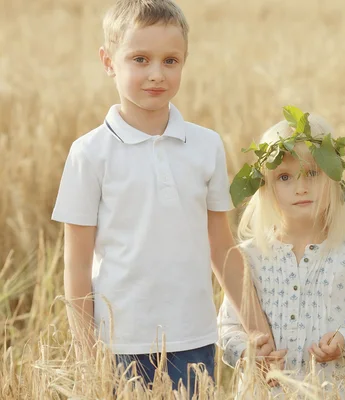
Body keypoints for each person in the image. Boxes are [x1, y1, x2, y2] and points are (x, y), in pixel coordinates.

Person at [50, 0, 274, 393]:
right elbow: (77, 266)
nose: (156, 74)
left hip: (194, 339)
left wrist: (256, 328)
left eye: (170, 61)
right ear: (108, 61)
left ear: (185, 61)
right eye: (140, 59)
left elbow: (221, 245)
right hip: (118, 344)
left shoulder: (205, 146)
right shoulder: (89, 153)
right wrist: (85, 355)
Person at [217, 111, 345, 399]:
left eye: (312, 173)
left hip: (334, 391)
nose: (300, 187)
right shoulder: (249, 257)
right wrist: (247, 351)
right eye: (285, 177)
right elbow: (227, 327)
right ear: (266, 188)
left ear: (333, 178)